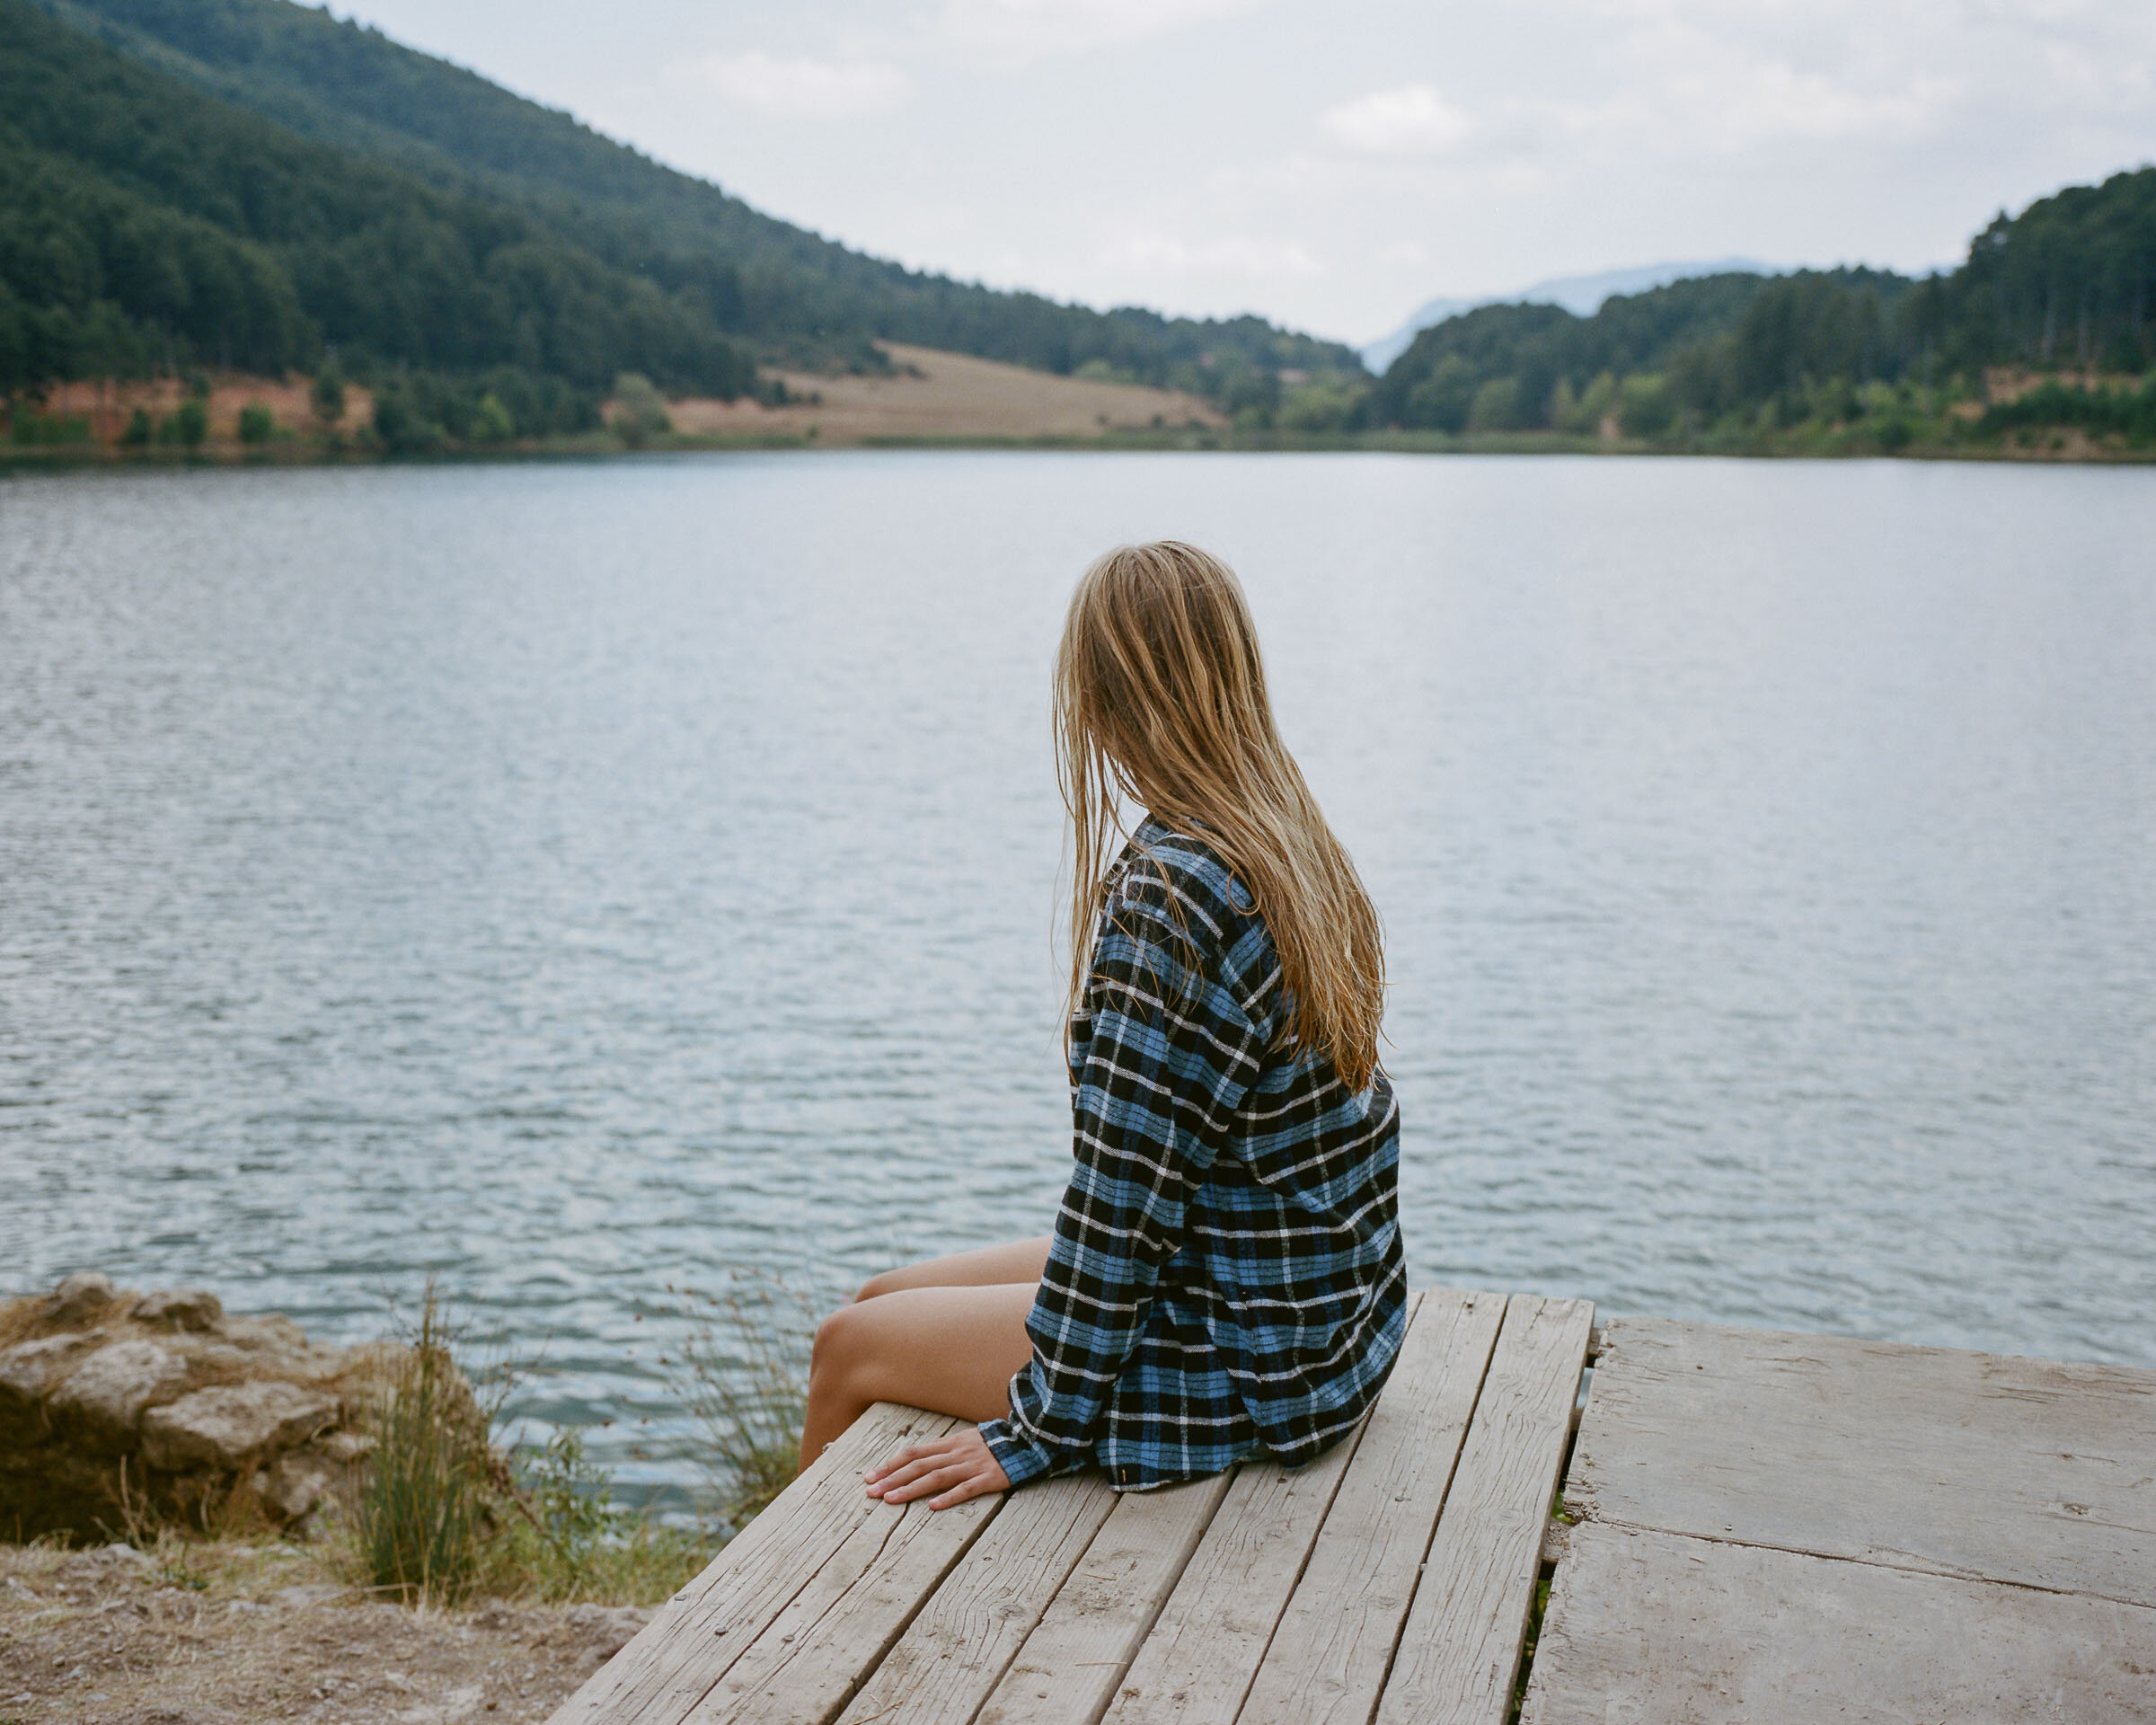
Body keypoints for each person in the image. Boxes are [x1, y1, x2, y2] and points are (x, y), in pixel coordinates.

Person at [800, 540, 1406, 1509]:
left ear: (1106, 700)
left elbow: (1124, 1204)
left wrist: (1041, 1426)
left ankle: (781, 1632)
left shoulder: (1172, 897)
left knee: (846, 1348)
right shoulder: (1288, 839)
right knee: (879, 1296)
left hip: (1245, 1359)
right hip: (1322, 1324)